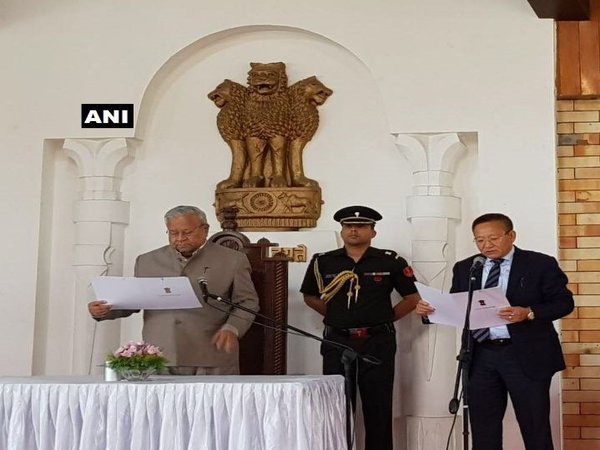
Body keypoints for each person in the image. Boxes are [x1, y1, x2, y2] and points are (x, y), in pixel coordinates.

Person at [415, 213, 574, 450]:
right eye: (479, 240)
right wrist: (429, 312)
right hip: (481, 355)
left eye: (493, 238)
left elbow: (564, 303)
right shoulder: (467, 267)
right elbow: (457, 307)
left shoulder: (539, 264)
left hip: (525, 355)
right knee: (483, 430)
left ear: (511, 235)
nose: (486, 245)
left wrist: (529, 312)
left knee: (535, 427)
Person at [300, 205, 421, 450]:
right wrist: (337, 317)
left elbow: (412, 298)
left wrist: (384, 319)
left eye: (361, 226)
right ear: (342, 230)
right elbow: (310, 296)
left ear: (373, 232)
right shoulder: (323, 262)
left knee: (378, 408)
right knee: (336, 408)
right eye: (348, 226)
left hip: (377, 342)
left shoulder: (390, 261)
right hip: (337, 342)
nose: (354, 230)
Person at [88, 205, 259, 375]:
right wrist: (105, 309)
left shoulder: (233, 260)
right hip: (159, 355)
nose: (180, 238)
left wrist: (232, 328)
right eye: (173, 233)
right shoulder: (147, 261)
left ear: (205, 229)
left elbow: (247, 302)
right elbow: (134, 301)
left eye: (187, 232)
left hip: (211, 353)